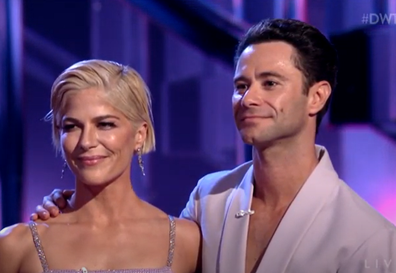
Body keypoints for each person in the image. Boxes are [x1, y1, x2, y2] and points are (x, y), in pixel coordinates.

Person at [31, 19, 396, 273]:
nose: (248, 98)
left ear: (316, 96)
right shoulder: (210, 197)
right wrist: (71, 207)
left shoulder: (369, 238)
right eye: (241, 85)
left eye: (270, 83)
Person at [0, 60, 201, 273]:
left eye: (105, 124)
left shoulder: (186, 242)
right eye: (72, 126)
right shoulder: (16, 246)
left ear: (139, 135)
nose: (86, 141)